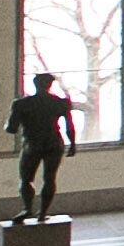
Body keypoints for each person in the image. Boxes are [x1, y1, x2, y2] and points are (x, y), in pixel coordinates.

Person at [6, 69, 78, 221]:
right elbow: (69, 127)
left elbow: (11, 129)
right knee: (50, 178)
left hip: (32, 143)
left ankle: (27, 209)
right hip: (54, 142)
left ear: (35, 84)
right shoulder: (60, 102)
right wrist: (72, 144)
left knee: (26, 179)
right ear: (50, 85)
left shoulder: (22, 104)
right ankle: (43, 212)